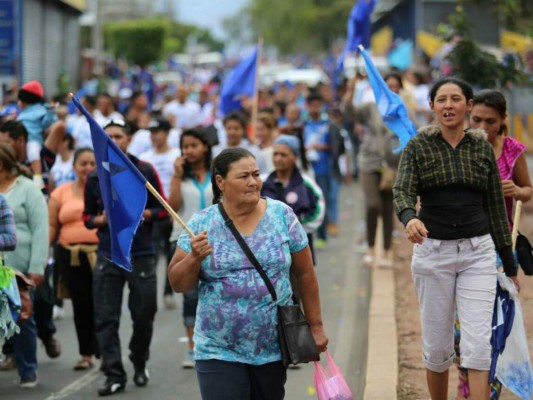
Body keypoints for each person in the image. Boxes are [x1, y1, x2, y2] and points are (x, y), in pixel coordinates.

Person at [393, 77, 520, 400]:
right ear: (433, 106)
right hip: (432, 254)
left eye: (456, 99)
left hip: (478, 253)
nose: (448, 105)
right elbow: (402, 190)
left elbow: (494, 204)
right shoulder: (418, 146)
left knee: (478, 346)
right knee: (437, 346)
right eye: (441, 100)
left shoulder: (480, 147)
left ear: (467, 105)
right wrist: (410, 219)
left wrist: (509, 261)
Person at [168, 148, 328, 400]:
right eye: (243, 176)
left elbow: (305, 274)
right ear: (220, 182)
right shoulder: (201, 224)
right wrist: (194, 258)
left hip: (273, 347)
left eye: (256, 174)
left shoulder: (282, 215)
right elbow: (178, 283)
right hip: (218, 348)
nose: (253, 182)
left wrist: (316, 326)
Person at [452, 89, 533, 399]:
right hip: (460, 243)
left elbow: (528, 190)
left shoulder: (513, 151)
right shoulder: (458, 145)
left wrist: (517, 190)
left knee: (493, 326)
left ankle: (488, 391)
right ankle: (466, 378)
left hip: (499, 249)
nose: (483, 127)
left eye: (491, 121)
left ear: (503, 122)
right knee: (460, 328)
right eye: (477, 120)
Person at [83, 119, 167, 396]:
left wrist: (145, 214)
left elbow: (164, 209)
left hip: (141, 253)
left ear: (129, 138)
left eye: (118, 136)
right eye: (108, 137)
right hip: (109, 254)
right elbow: (86, 217)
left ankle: (138, 360)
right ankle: (114, 373)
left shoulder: (142, 170)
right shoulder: (95, 176)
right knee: (106, 317)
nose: (114, 141)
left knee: (144, 313)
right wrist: (100, 219)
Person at [0, 142, 49, 388]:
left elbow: (41, 228)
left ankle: (28, 369)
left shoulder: (28, 189)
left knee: (22, 314)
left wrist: (37, 267)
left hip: (20, 264)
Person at [48, 147, 99, 371]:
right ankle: (86, 354)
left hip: (99, 254)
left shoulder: (103, 191)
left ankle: (106, 353)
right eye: (83, 163)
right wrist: (43, 253)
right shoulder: (61, 192)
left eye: (92, 164)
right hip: (69, 256)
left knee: (102, 305)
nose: (87, 168)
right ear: (74, 166)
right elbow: (51, 225)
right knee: (81, 305)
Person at [167, 128, 213, 369]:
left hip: (215, 239)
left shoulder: (217, 172)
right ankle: (192, 347)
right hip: (184, 239)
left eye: (193, 145)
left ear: (205, 146)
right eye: (185, 146)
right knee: (190, 294)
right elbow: (172, 206)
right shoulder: (181, 176)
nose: (189, 151)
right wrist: (175, 176)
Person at [261, 134, 325, 264]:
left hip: (301, 251)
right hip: (268, 252)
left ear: (295, 157)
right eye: (275, 154)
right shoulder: (262, 182)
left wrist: (292, 228)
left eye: (283, 155)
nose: (278, 159)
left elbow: (317, 214)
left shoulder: (307, 184)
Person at [139, 118, 180, 310]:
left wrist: (175, 208)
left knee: (172, 253)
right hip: (154, 211)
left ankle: (168, 290)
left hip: (173, 211)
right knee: (153, 253)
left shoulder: (176, 155)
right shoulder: (145, 157)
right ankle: (150, 291)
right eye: (151, 132)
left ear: (167, 133)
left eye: (158, 131)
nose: (154, 135)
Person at [356, 103, 399, 268]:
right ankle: (370, 249)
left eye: (396, 86)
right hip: (369, 163)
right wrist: (351, 90)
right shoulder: (370, 107)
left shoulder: (402, 109)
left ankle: (387, 251)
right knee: (372, 205)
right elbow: (350, 111)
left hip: (391, 166)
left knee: (388, 209)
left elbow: (413, 130)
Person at [16, 80, 58, 183]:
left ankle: (38, 177)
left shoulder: (40, 111)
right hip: (22, 141)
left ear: (25, 100)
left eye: (20, 100)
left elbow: (47, 122)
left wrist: (50, 112)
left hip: (33, 140)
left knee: (33, 153)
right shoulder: (22, 114)